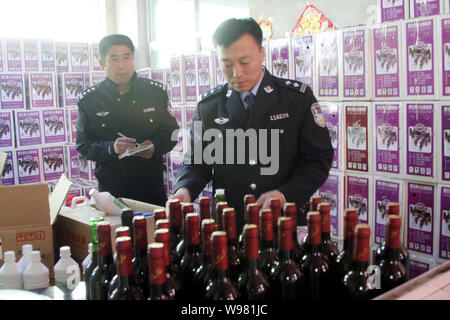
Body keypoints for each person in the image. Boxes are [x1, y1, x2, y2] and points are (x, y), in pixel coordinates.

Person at [169, 17, 333, 230]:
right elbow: (197, 164)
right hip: (228, 224)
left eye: (244, 62)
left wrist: (285, 194)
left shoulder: (296, 99)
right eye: (227, 64)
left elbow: (318, 159)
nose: (237, 73)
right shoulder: (210, 106)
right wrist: (184, 190)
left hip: (281, 222)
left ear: (262, 53)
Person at [76, 34, 179, 206]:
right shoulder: (90, 101)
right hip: (112, 193)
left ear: (133, 59)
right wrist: (111, 148)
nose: (121, 65)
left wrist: (154, 146)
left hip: (151, 191)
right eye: (114, 59)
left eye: (127, 57)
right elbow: (83, 146)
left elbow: (172, 133)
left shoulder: (155, 93)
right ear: (102, 64)